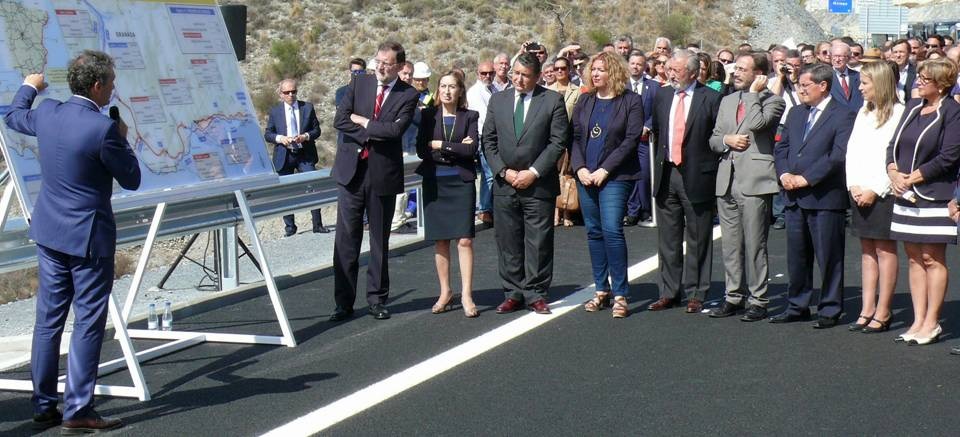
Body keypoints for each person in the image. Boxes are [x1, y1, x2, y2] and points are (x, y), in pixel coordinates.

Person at [4, 51, 141, 433]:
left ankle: (44, 404)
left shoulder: (47, 112)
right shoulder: (102, 130)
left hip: (50, 233)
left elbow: (14, 116)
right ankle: (78, 409)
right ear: (97, 86)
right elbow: (132, 178)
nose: (114, 89)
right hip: (89, 239)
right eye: (111, 83)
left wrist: (29, 87)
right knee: (87, 324)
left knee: (48, 321)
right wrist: (124, 140)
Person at [331, 41, 419, 321]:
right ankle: (343, 302)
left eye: (387, 63)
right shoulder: (360, 84)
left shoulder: (408, 95)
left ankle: (377, 299)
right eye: (378, 60)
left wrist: (365, 123)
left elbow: (395, 130)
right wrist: (369, 132)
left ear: (399, 67)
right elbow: (341, 120)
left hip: (382, 175)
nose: (380, 66)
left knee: (379, 241)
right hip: (352, 173)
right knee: (346, 241)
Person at [482, 52, 570, 315]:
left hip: (538, 184)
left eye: (525, 76)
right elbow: (488, 140)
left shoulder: (552, 100)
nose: (519, 80)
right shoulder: (498, 100)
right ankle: (513, 292)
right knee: (508, 240)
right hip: (505, 184)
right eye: (516, 74)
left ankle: (536, 293)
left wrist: (533, 172)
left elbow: (558, 142)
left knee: (539, 241)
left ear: (538, 76)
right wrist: (502, 171)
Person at [770, 63, 856, 328]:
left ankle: (830, 308)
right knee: (797, 256)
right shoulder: (796, 113)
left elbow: (837, 156)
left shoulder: (843, 115)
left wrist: (806, 179)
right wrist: (784, 175)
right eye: (799, 85)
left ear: (823, 86)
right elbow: (782, 147)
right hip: (794, 196)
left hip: (824, 197)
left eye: (805, 85)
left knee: (829, 256)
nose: (800, 90)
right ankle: (797, 305)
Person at [707, 52, 785, 322]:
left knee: (755, 244)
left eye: (742, 69)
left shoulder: (774, 101)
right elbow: (714, 139)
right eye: (735, 68)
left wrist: (754, 94)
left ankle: (759, 299)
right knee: (730, 245)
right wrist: (727, 139)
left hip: (754, 181)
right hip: (726, 179)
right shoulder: (727, 101)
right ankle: (733, 296)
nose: (736, 73)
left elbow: (757, 124)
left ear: (759, 74)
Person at [887, 59, 960, 345]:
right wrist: (893, 172)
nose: (918, 82)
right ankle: (918, 320)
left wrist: (913, 178)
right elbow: (892, 146)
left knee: (932, 257)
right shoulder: (912, 109)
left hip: (935, 195)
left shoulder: (953, 113)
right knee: (914, 258)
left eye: (924, 78)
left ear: (941, 84)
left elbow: (950, 156)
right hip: (906, 195)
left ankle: (932, 322)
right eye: (918, 77)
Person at [648, 50, 722, 313]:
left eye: (676, 70)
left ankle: (696, 292)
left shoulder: (711, 97)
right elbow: (658, 130)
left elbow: (716, 137)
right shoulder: (662, 95)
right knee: (668, 237)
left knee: (698, 236)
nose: (670, 74)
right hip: (668, 172)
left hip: (697, 175)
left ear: (692, 72)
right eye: (669, 69)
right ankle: (668, 291)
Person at [570, 52, 644, 318]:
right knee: (594, 231)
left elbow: (631, 139)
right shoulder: (585, 100)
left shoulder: (630, 101)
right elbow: (576, 137)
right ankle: (601, 288)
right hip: (585, 176)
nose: (596, 74)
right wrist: (579, 168)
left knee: (612, 230)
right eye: (594, 69)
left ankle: (621, 293)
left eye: (601, 69)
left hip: (615, 177)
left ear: (613, 72)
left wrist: (604, 169)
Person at [844, 61, 904, 333]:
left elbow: (893, 158)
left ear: (879, 83)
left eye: (865, 83)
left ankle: (883, 310)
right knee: (867, 251)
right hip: (859, 191)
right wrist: (854, 184)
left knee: (884, 250)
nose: (860, 88)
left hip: (883, 193)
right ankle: (867, 308)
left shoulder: (900, 114)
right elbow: (852, 151)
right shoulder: (863, 113)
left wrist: (875, 189)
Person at [415, 71, 481, 318]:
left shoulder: (470, 116)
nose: (447, 91)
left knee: (464, 239)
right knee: (441, 240)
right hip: (435, 181)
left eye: (452, 86)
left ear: (460, 90)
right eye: (442, 86)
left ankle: (466, 294)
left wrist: (441, 145)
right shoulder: (428, 116)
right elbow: (422, 149)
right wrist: (456, 149)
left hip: (461, 182)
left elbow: (472, 148)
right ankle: (445, 291)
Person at [264, 78, 327, 236]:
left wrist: (305, 136)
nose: (291, 95)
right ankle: (290, 228)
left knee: (313, 187)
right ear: (281, 94)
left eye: (294, 91)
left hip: (304, 154)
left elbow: (316, 130)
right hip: (284, 156)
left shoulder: (307, 108)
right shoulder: (275, 111)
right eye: (287, 92)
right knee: (285, 192)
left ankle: (317, 224)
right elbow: (268, 134)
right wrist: (281, 138)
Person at [624, 51, 660, 228]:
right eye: (633, 63)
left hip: (645, 140)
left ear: (645, 66)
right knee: (627, 174)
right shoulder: (621, 86)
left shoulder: (654, 87)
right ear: (628, 64)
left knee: (644, 175)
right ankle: (631, 212)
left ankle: (645, 210)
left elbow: (658, 111)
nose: (635, 67)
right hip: (624, 139)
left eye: (639, 64)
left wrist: (648, 125)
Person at [547, 56, 582, 227]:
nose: (559, 71)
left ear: (569, 70)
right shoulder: (547, 90)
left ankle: (567, 210)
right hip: (551, 137)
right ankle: (555, 212)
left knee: (568, 174)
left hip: (570, 138)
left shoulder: (577, 90)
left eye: (563, 68)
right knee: (553, 174)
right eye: (556, 69)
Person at [466, 61, 496, 225]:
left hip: (492, 136)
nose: (487, 76)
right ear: (478, 74)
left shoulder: (493, 89)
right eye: (484, 73)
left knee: (490, 174)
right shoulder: (476, 92)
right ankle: (484, 209)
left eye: (490, 73)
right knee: (488, 174)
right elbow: (485, 118)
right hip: (483, 136)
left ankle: (488, 207)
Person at [829, 42, 864, 110]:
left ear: (848, 58)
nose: (837, 60)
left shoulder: (858, 76)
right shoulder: (826, 77)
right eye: (834, 56)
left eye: (840, 56)